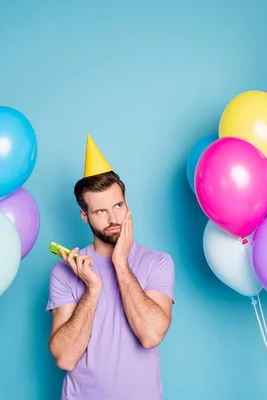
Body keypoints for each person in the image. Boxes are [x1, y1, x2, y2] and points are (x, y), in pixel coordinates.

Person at [46, 135, 176, 400]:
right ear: (85, 216)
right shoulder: (66, 271)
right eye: (100, 211)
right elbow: (65, 357)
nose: (114, 218)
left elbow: (151, 335)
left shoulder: (158, 263)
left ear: (127, 203)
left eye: (118, 206)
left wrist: (120, 262)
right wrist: (92, 289)